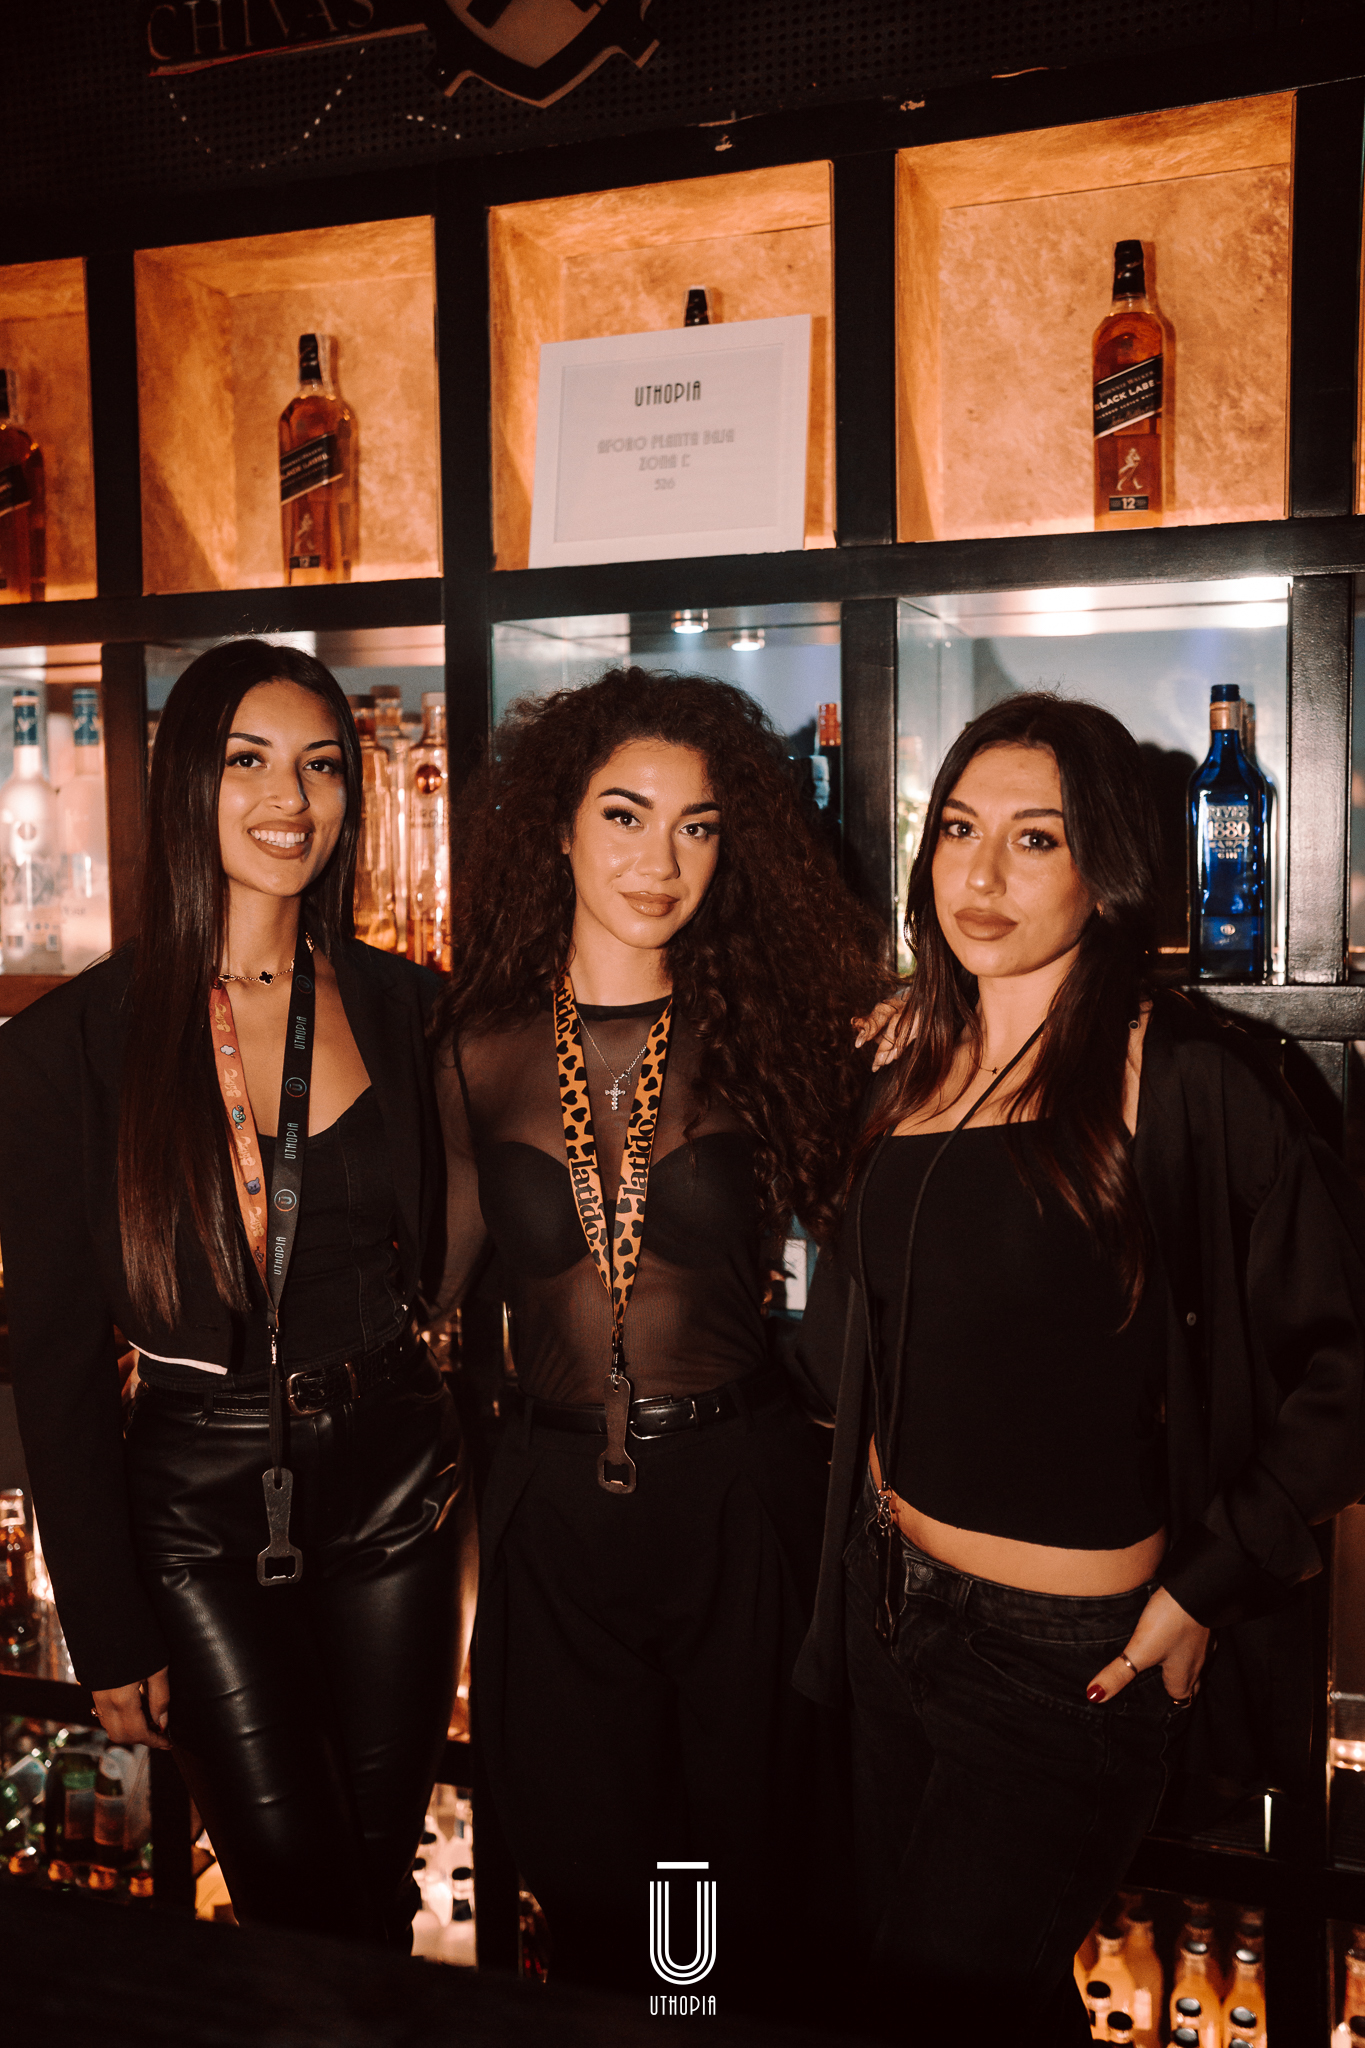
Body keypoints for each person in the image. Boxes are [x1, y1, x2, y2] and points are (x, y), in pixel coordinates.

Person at [794, 691, 1365, 2042]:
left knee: (933, 2007)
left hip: (1063, 1665)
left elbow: (1345, 1373)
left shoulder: (1190, 1082)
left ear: (1103, 866)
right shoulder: (900, 1067)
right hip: (885, 1606)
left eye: (1034, 838)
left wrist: (1208, 1582)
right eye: (958, 830)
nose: (981, 875)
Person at [432, 666, 889, 2006]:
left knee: (736, 1898)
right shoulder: (472, 1051)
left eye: (697, 827)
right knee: (592, 1894)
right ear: (559, 828)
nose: (660, 861)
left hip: (736, 1500)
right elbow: (422, 1287)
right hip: (554, 1513)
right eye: (625, 816)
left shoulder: (778, 1035)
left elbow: (896, 1238)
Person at [0, 639, 468, 1945]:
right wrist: (105, 1625)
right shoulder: (63, 1051)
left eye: (322, 766)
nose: (290, 800)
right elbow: (55, 1362)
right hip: (197, 1505)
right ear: (186, 784)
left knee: (375, 1878)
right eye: (249, 761)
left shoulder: (409, 1008)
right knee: (289, 1895)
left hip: (395, 1478)